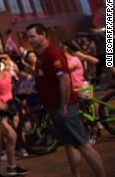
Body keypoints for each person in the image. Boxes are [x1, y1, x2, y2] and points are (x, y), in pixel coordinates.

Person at [26, 23, 107, 177]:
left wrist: (63, 106)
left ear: (43, 35)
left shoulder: (52, 54)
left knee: (83, 145)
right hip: (54, 108)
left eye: (32, 36)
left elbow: (64, 80)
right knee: (69, 145)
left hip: (63, 108)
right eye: (28, 37)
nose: (30, 40)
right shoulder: (41, 56)